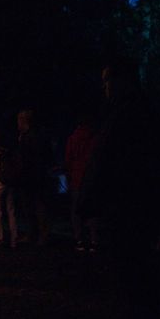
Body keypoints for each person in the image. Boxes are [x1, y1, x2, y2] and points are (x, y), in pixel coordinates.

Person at [78, 57, 160, 319]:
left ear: (123, 81)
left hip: (130, 207)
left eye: (108, 81)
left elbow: (118, 163)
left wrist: (91, 198)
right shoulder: (128, 113)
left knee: (135, 273)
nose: (104, 88)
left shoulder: (132, 115)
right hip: (127, 206)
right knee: (130, 274)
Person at [65, 107, 100, 252]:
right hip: (90, 178)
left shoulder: (73, 138)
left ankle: (79, 239)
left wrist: (69, 174)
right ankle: (94, 240)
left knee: (76, 210)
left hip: (77, 178)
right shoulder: (95, 138)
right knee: (91, 210)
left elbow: (68, 159)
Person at [17, 108, 52, 245]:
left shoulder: (31, 137)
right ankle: (35, 234)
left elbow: (30, 158)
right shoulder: (35, 135)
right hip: (34, 176)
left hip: (33, 176)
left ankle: (40, 235)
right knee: (32, 206)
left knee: (37, 206)